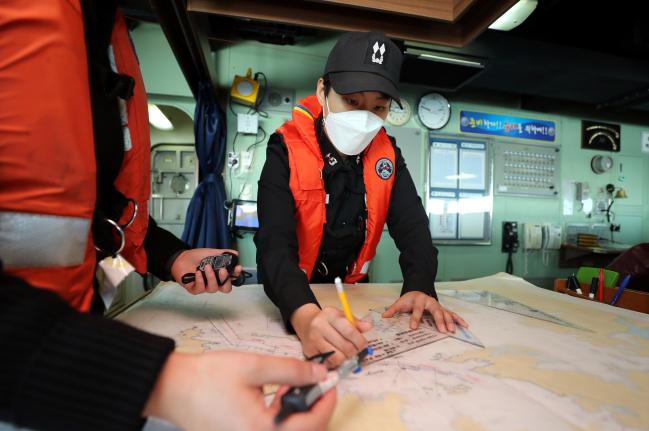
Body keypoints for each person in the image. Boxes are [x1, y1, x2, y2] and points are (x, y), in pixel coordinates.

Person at [0, 1, 336, 430]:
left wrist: (173, 258)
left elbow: (101, 209)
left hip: (72, 357)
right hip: (30, 373)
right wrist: (164, 384)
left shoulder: (97, 22)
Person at [255, 31, 468, 367]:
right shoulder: (284, 149)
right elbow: (273, 243)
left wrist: (420, 286)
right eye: (352, 102)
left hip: (352, 294)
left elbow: (414, 231)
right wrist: (304, 314)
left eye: (378, 107)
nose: (364, 117)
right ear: (323, 91)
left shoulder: (388, 156)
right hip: (294, 292)